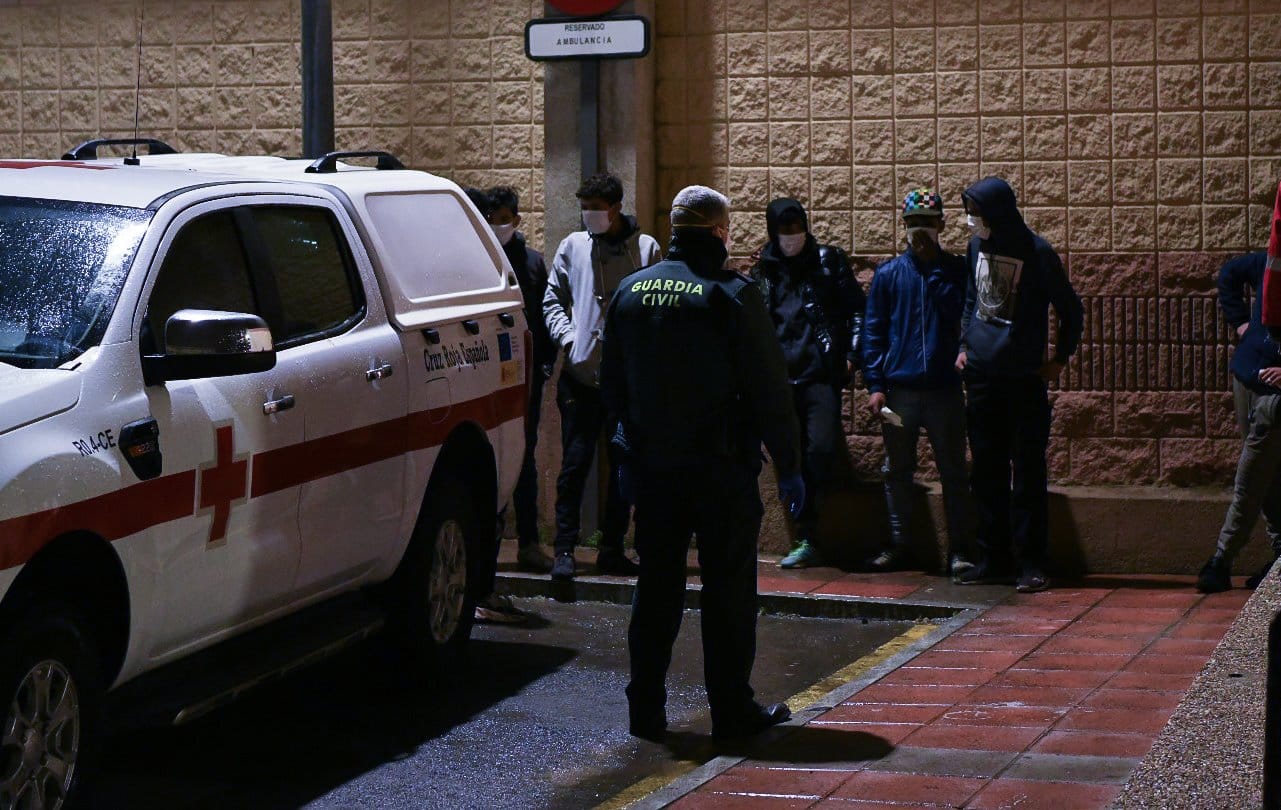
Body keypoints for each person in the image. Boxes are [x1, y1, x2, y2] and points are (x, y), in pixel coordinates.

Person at [600, 185, 806, 742]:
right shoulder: (734, 295)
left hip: (653, 470)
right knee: (728, 593)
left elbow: (611, 386)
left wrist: (624, 452)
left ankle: (645, 710)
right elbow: (769, 390)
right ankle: (731, 711)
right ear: (719, 233)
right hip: (718, 472)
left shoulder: (631, 292)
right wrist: (788, 463)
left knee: (657, 589)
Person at [955, 176, 1083, 593]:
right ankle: (993, 557)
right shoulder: (977, 246)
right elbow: (971, 300)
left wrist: (1059, 359)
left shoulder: (1037, 252)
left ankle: (1031, 562)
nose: (972, 221)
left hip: (1023, 380)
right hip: (981, 378)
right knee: (986, 472)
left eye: (977, 213)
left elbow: (1070, 309)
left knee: (1027, 472)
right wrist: (964, 344)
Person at [543, 173, 662, 580]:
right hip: (580, 376)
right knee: (574, 465)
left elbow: (655, 309)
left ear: (615, 208)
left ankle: (612, 547)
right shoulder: (572, 247)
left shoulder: (645, 250)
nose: (589, 214)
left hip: (624, 382)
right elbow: (553, 299)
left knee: (621, 466)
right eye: (585, 206)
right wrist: (569, 338)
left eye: (596, 206)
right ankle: (564, 548)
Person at [862, 189, 974, 575]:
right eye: (912, 224)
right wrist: (875, 384)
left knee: (954, 472)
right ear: (903, 227)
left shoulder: (955, 271)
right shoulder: (889, 275)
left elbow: (960, 314)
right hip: (900, 390)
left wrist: (936, 271)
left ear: (941, 225)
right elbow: (874, 330)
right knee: (897, 470)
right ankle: (900, 546)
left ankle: (961, 550)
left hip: (944, 389)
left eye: (926, 223)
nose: (919, 232)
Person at [751, 198, 865, 569]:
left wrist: (851, 354)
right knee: (790, 458)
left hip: (819, 375)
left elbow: (857, 309)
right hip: (780, 381)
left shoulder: (828, 261)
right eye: (784, 230)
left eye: (796, 228)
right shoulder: (763, 272)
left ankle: (820, 528)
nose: (791, 237)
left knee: (820, 449)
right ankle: (807, 536)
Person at [1197, 250, 1281, 593]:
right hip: (1248, 378)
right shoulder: (1270, 262)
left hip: (1273, 399)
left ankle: (1221, 560)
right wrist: (1243, 323)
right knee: (1269, 477)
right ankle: (1278, 561)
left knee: (1252, 477)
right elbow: (1230, 273)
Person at [487, 185, 556, 574]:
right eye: (491, 218)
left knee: (523, 457)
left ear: (516, 218)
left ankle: (529, 542)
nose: (497, 226)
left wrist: (544, 365)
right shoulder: (476, 258)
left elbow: (543, 319)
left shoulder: (531, 262)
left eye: (503, 218)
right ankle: (489, 551)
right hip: (486, 376)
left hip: (524, 376)